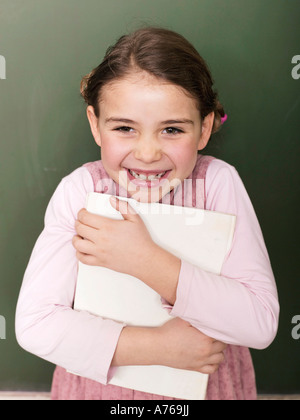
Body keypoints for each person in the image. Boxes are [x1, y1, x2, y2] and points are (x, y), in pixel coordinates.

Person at [15, 27, 279, 400]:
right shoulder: (81, 192)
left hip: (209, 389)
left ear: (204, 129)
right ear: (95, 124)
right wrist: (158, 347)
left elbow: (260, 323)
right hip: (102, 390)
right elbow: (35, 324)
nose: (149, 152)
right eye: (125, 128)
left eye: (172, 129)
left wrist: (145, 260)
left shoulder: (218, 184)